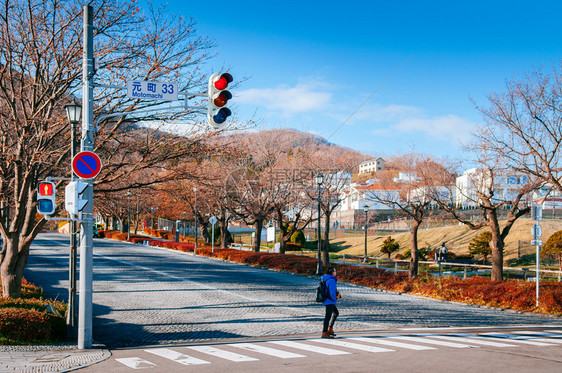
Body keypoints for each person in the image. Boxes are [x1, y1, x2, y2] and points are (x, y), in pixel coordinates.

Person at [321, 267, 340, 339]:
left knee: (336, 313)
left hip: (327, 299)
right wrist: (335, 298)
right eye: (335, 271)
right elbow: (332, 291)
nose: (336, 273)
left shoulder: (326, 278)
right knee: (328, 316)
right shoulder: (331, 280)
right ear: (332, 272)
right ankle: (324, 332)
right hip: (330, 300)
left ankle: (330, 329)